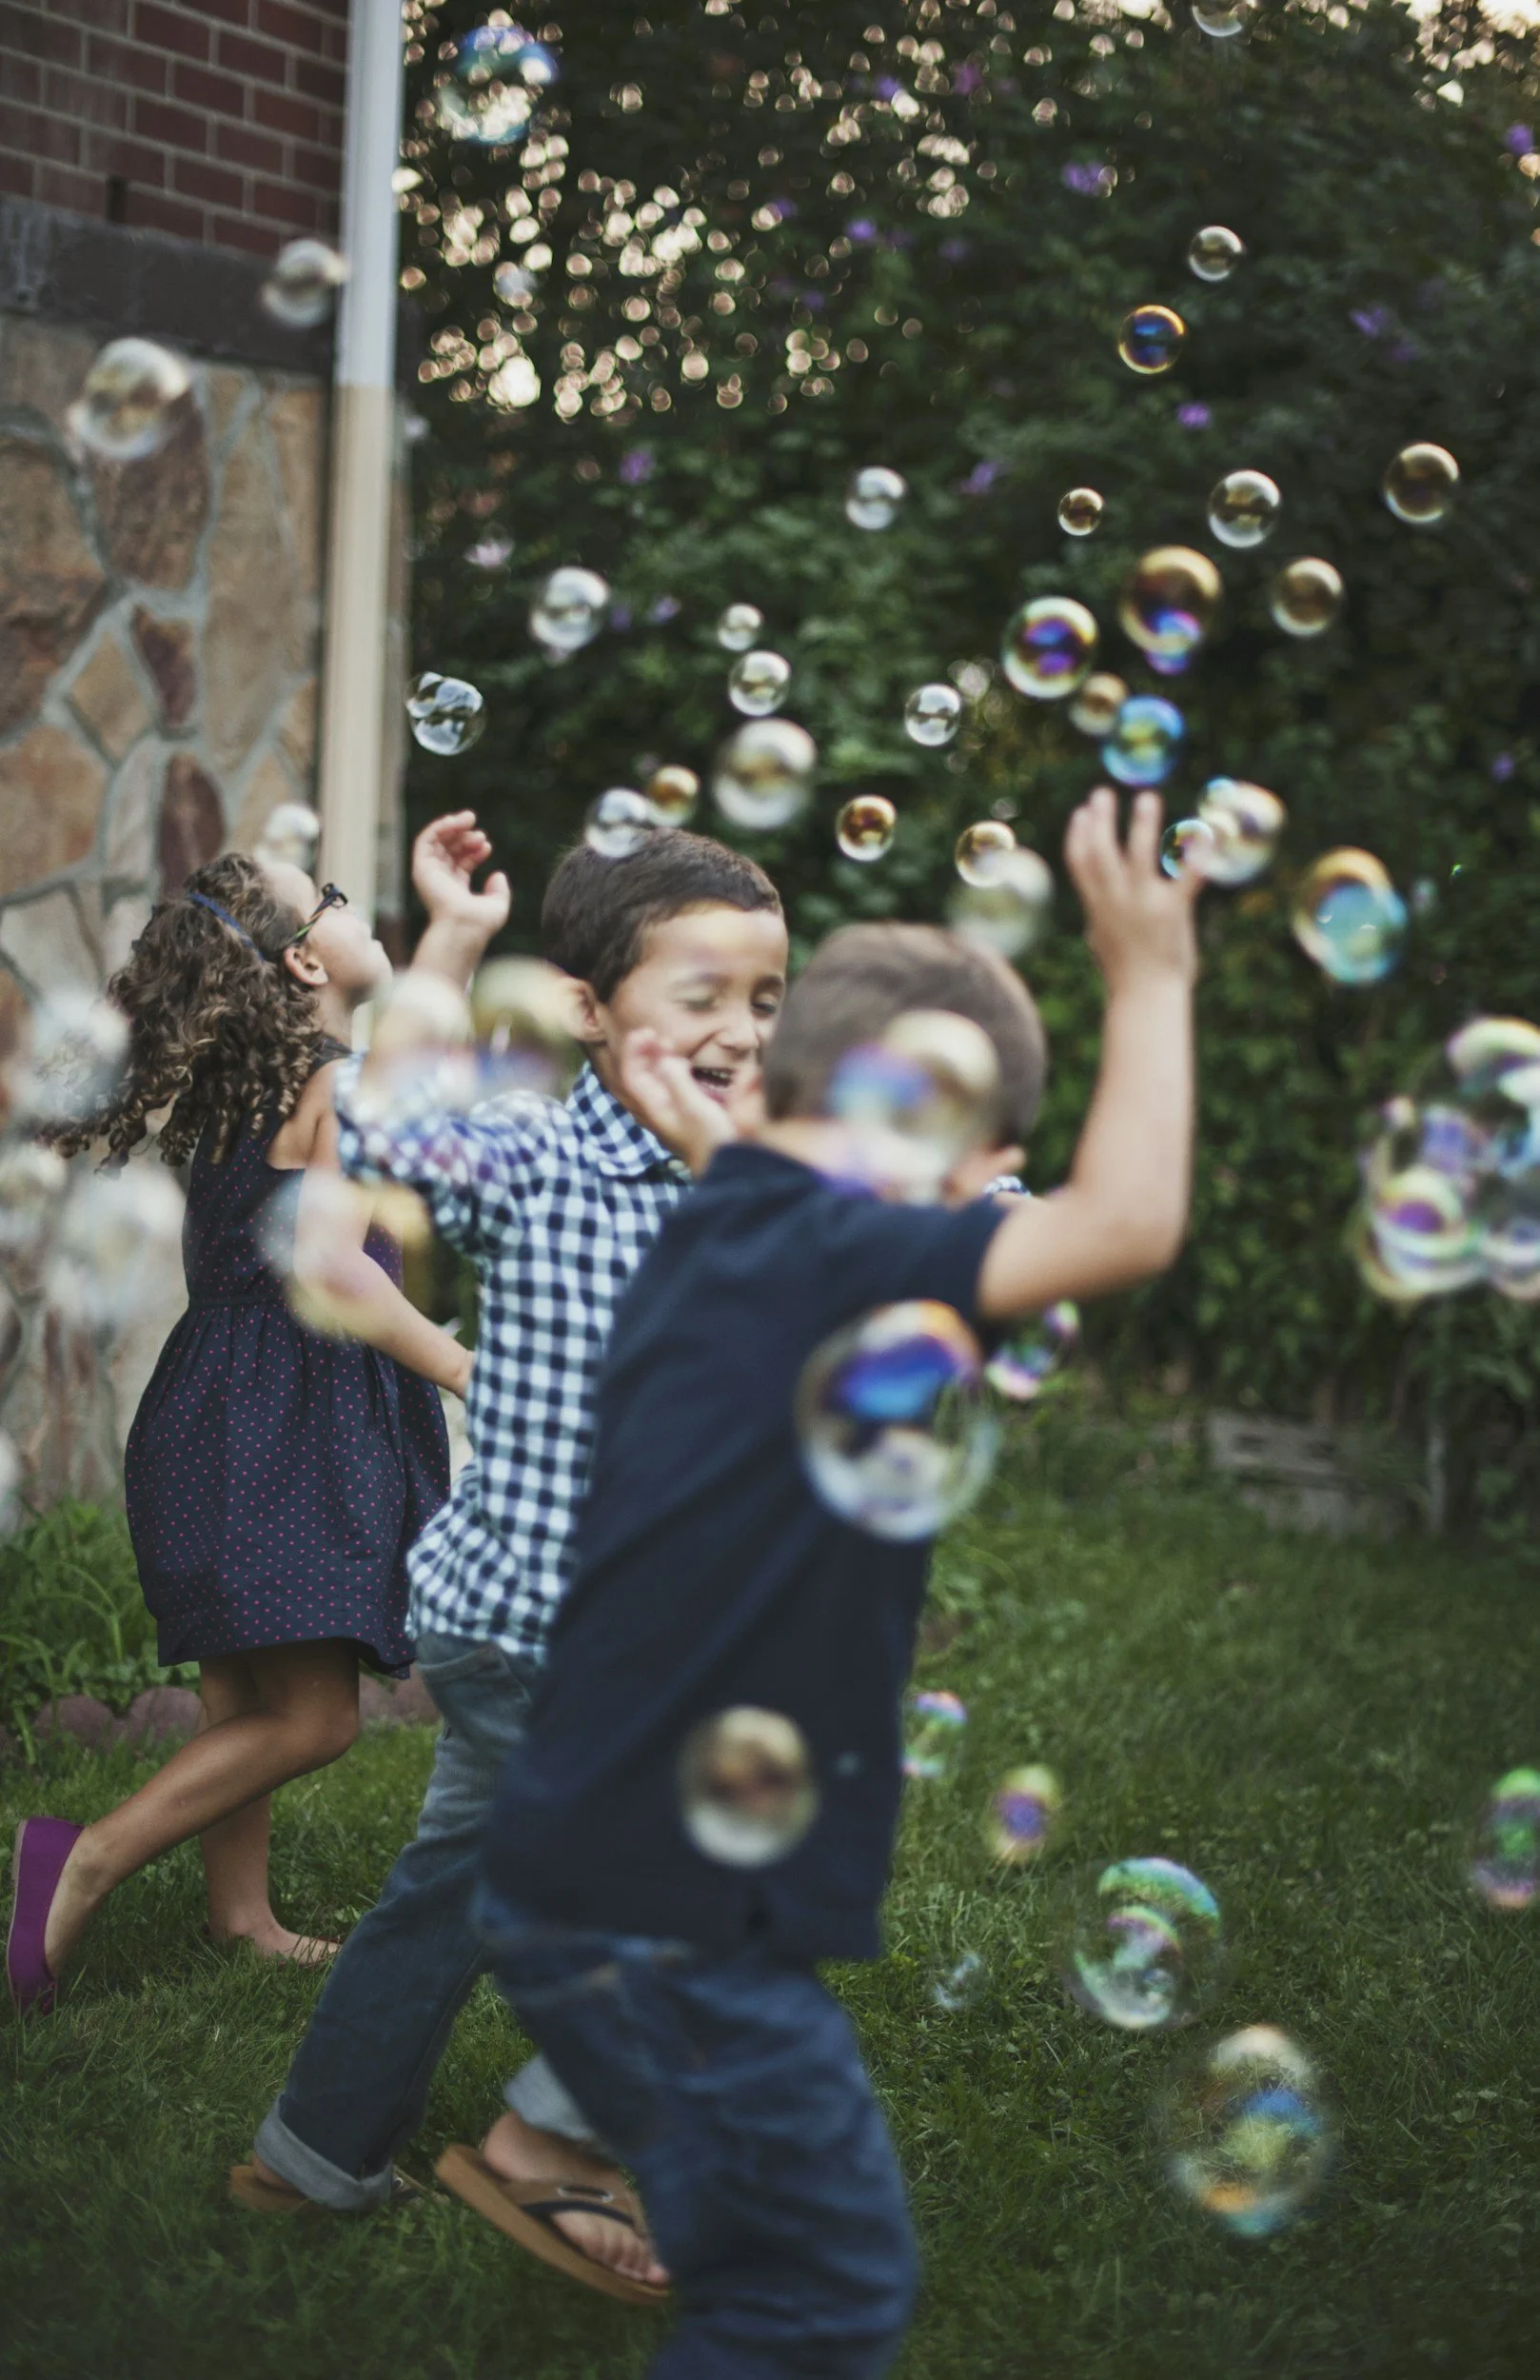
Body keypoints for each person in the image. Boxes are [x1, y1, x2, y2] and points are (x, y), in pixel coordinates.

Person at [470, 786, 1202, 2378]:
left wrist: (729, 1129)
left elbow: (751, 1157)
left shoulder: (720, 1217)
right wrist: (1148, 972)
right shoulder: (846, 1251)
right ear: (947, 1149)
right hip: (678, 1919)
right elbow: (1132, 1220)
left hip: (577, 1874)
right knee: (821, 2287)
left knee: (754, 2270)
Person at [237, 815, 788, 2299]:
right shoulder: (536, 1156)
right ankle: (552, 2142)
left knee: (450, 1893)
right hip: (542, 1630)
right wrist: (454, 941)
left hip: (576, 1629)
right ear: (592, 1010)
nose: (739, 1032)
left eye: (764, 1000)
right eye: (700, 996)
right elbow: (389, 1137)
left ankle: (307, 2155)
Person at [6, 853, 460, 2017]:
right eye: (337, 898)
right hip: (288, 1416)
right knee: (310, 1718)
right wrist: (469, 1366)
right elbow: (330, 1270)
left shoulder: (240, 1096)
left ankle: (240, 1919)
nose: (356, 908)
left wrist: (457, 928)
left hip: (208, 1406)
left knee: (240, 1700)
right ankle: (84, 1860)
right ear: (306, 959)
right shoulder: (336, 1086)